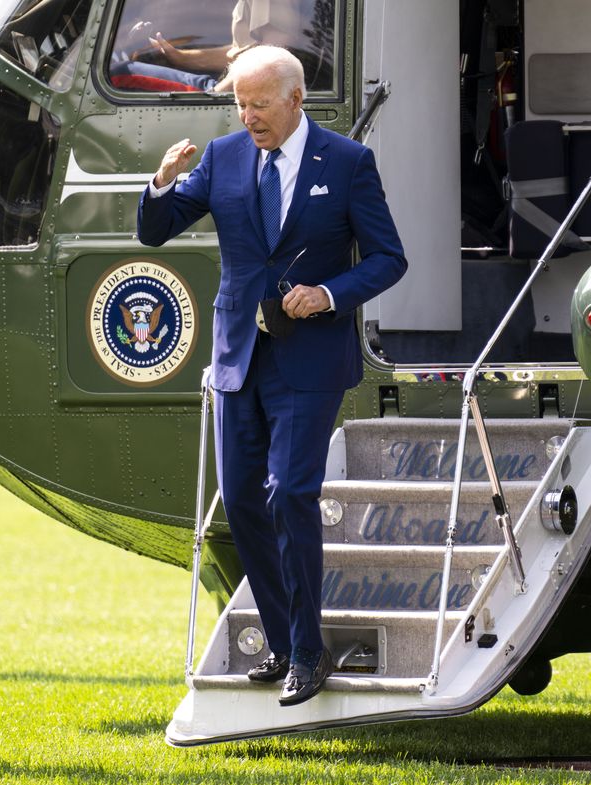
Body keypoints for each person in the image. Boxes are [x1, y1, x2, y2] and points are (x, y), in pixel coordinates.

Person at [138, 46, 406, 706]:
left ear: (295, 100)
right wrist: (162, 183)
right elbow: (156, 231)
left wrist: (329, 294)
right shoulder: (225, 156)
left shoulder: (346, 163)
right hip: (238, 357)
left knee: (291, 492)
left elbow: (388, 259)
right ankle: (284, 643)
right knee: (242, 502)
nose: (247, 116)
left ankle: (311, 652)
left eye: (259, 104)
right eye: (240, 104)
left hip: (309, 359)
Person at [110, 0, 303, 92]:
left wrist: (217, 95)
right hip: (239, 85)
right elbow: (244, 50)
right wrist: (180, 57)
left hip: (243, 92)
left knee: (121, 73)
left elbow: (272, 53)